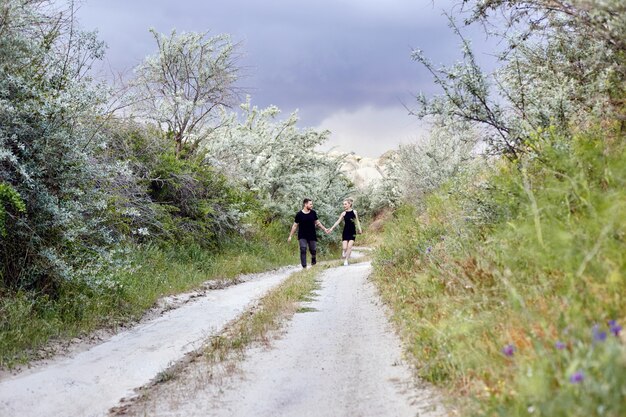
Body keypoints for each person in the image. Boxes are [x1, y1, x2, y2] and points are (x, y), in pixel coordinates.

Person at [288, 198, 328, 268]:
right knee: (303, 249)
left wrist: (324, 229)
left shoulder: (313, 213)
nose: (312, 205)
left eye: (312, 204)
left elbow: (318, 223)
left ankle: (313, 258)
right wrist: (290, 236)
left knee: (313, 250)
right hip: (302, 235)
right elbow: (295, 225)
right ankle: (304, 266)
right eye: (310, 204)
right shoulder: (299, 214)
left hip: (312, 235)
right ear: (305, 204)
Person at [328, 198, 362, 266]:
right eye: (343, 204)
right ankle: (344, 251)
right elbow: (338, 221)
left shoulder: (354, 212)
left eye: (345, 204)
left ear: (349, 204)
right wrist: (332, 228)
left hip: (352, 231)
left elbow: (357, 221)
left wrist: (359, 229)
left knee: (349, 247)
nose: (344, 205)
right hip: (346, 231)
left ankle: (346, 260)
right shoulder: (343, 213)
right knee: (344, 247)